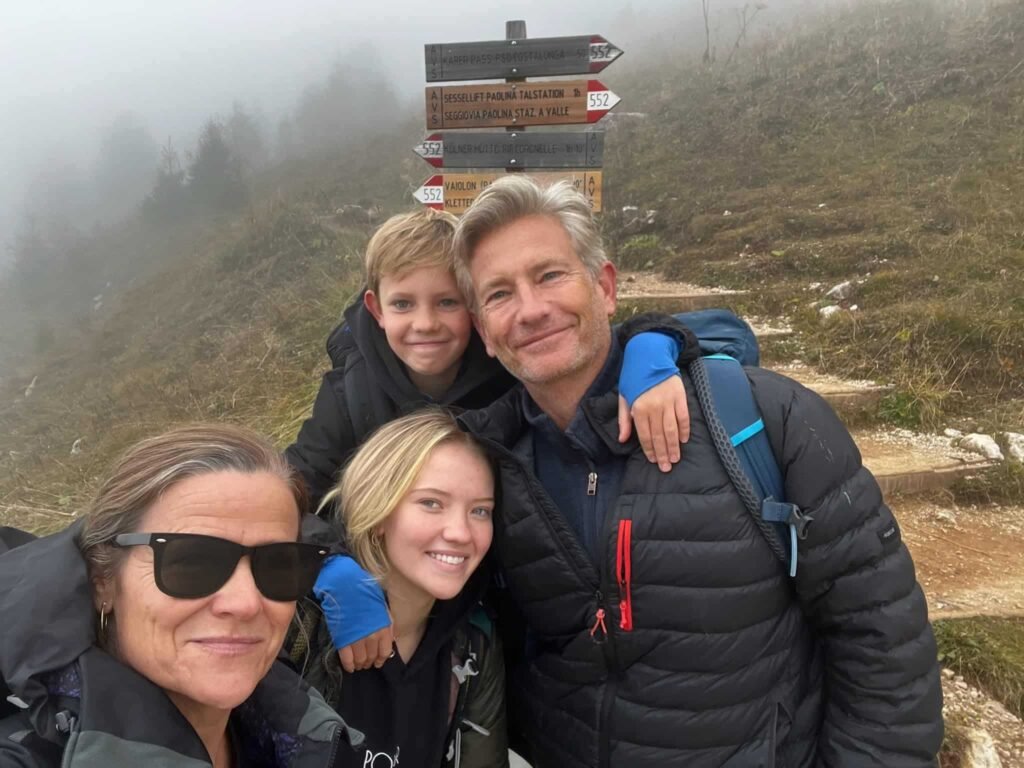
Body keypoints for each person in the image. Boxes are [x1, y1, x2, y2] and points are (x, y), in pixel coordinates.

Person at [436, 175, 941, 767]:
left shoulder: (765, 419)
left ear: (605, 288)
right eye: (499, 294)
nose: (531, 309)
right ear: (484, 334)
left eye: (550, 275)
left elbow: (880, 640)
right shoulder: (484, 463)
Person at [285, 207, 693, 670]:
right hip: (382, 607)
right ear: (376, 308)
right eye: (404, 304)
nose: (425, 324)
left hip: (489, 600)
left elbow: (696, 334)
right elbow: (290, 490)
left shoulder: (507, 364)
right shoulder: (350, 392)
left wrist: (652, 344)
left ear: (476, 312)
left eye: (447, 302)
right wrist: (328, 560)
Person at [0, 424, 361, 767]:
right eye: (192, 563)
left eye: (278, 564)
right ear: (102, 582)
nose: (246, 603)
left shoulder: (303, 732)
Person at [293, 408, 507, 768]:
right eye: (431, 503)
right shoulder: (301, 623)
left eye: (480, 511)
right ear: (377, 512)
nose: (460, 532)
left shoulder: (473, 642)